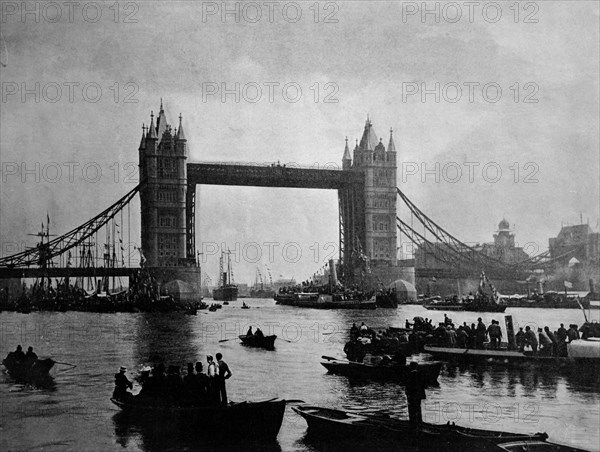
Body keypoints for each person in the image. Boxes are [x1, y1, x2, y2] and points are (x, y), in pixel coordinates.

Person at [405, 362, 426, 428]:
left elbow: (409, 385)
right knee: (418, 408)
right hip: (418, 394)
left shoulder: (411, 375)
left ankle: (413, 423)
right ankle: (419, 422)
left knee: (412, 408)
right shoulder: (420, 374)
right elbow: (424, 385)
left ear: (410, 367)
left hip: (412, 394)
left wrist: (407, 393)